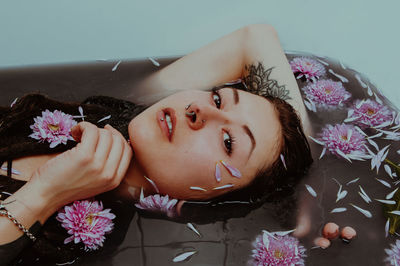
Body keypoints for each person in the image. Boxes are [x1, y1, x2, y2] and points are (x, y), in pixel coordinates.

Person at [0, 24, 312, 265]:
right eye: (218, 98)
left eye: (228, 141)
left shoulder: (76, 242)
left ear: (221, 200)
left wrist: (48, 192)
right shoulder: (122, 111)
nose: (198, 109)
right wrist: (312, 185)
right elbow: (253, 38)